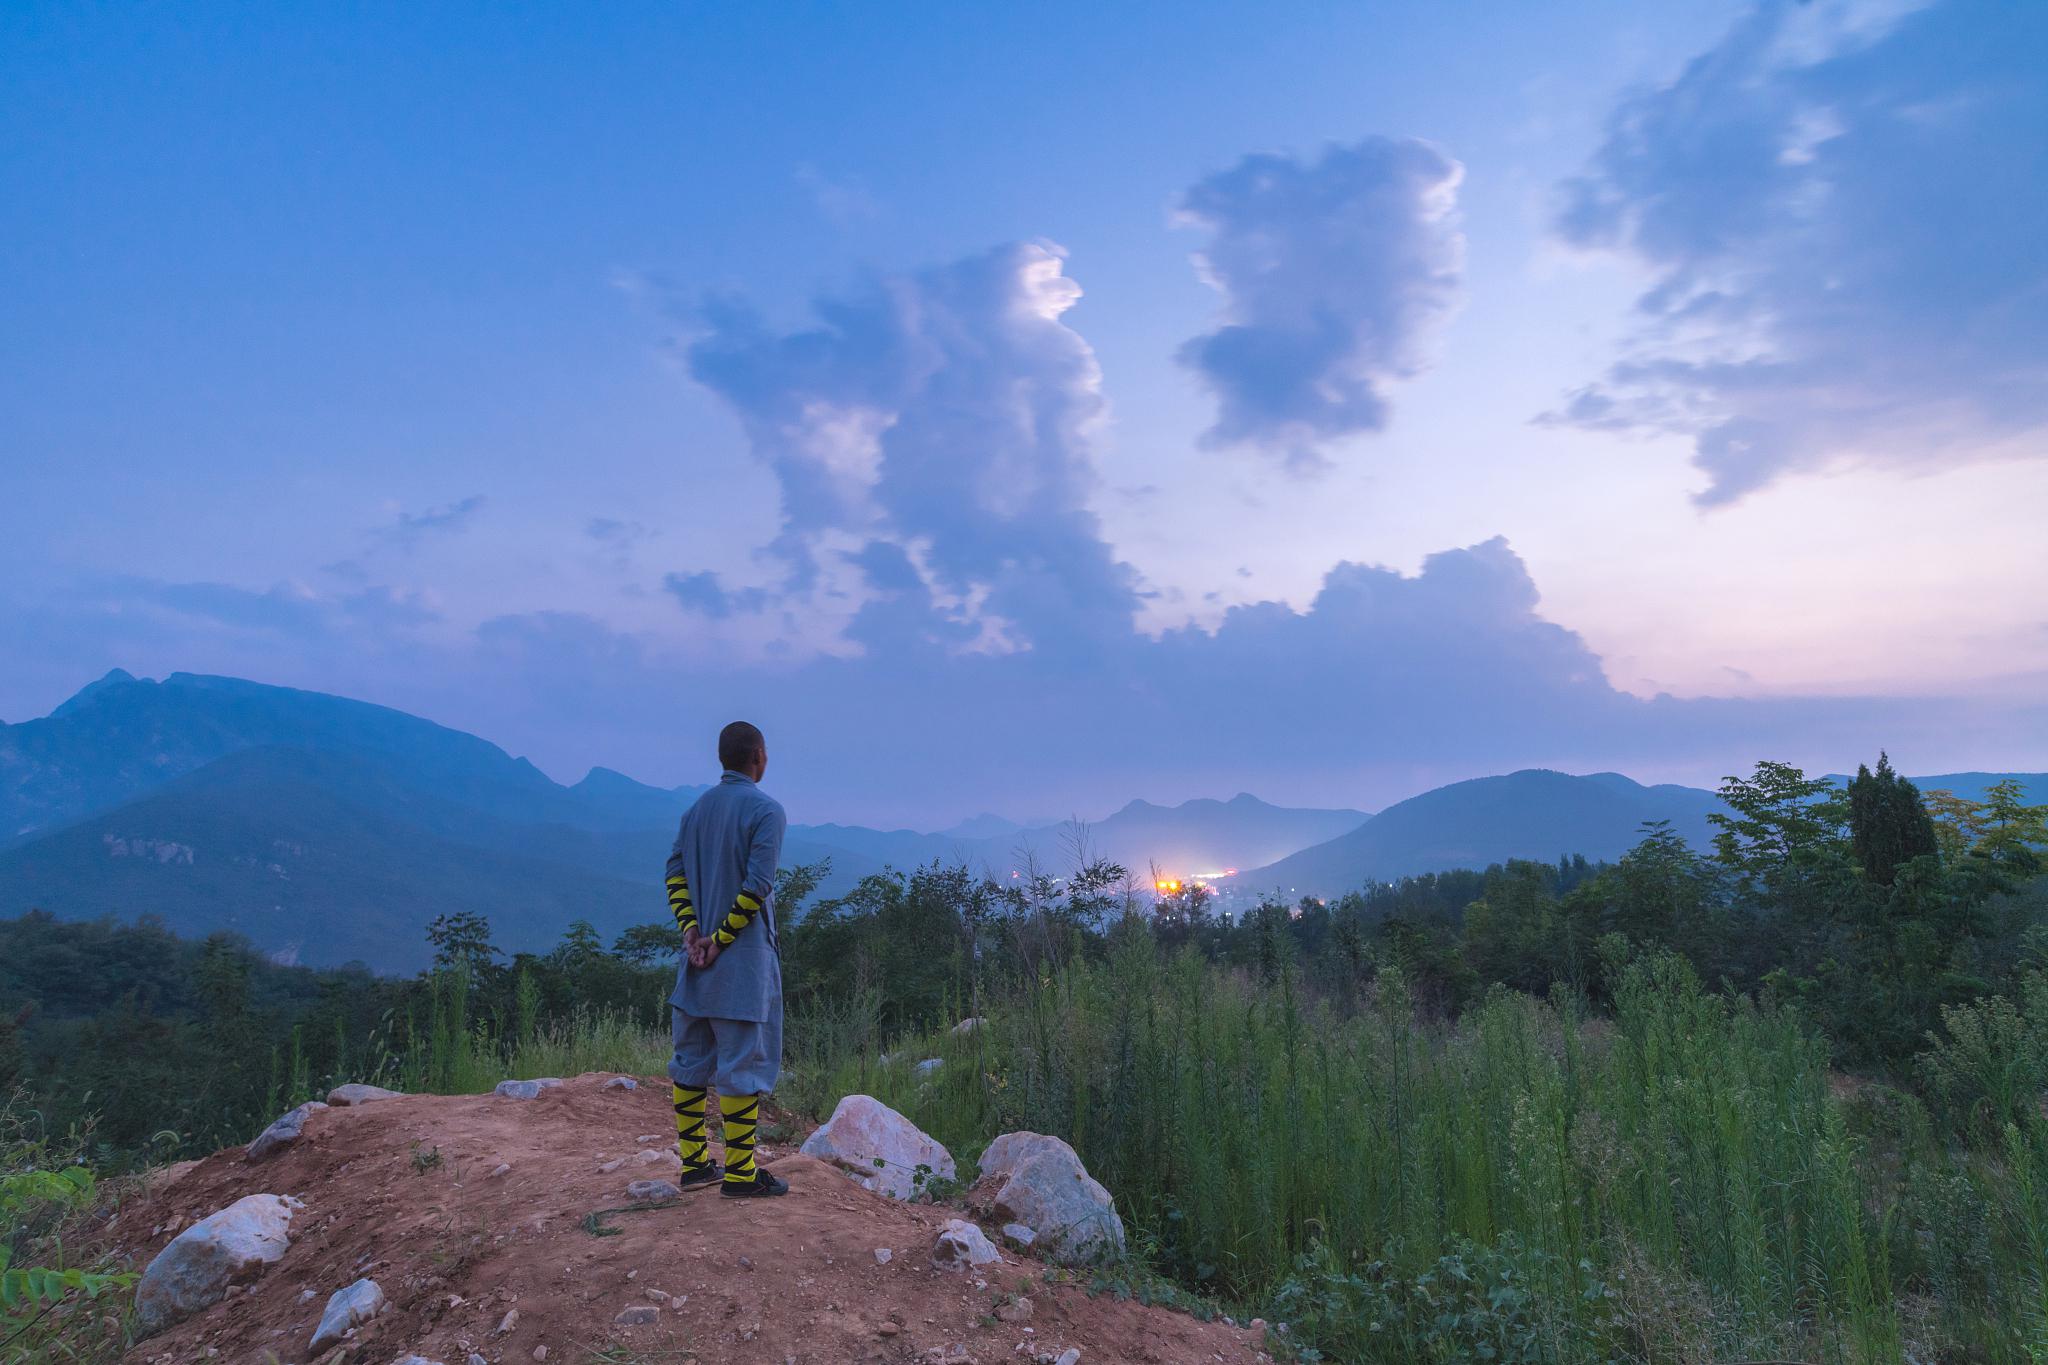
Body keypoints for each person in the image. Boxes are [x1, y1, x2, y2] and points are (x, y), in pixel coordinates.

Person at [664, 720, 790, 1197]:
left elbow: (674, 874)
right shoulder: (767, 811)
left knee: (691, 1061)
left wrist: (692, 933)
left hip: (694, 964)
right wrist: (718, 940)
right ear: (757, 756)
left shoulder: (695, 811)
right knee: (741, 1064)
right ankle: (740, 1174)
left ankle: (695, 1165)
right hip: (739, 963)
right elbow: (756, 887)